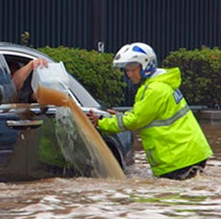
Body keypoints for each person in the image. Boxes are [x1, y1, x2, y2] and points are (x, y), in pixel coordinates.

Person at [86, 42, 212, 180]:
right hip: (187, 154)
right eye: (127, 70)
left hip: (179, 158)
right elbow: (145, 114)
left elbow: (136, 120)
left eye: (133, 69)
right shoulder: (160, 84)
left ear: (146, 66)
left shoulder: (154, 89)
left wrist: (101, 122)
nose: (129, 74)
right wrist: (121, 117)